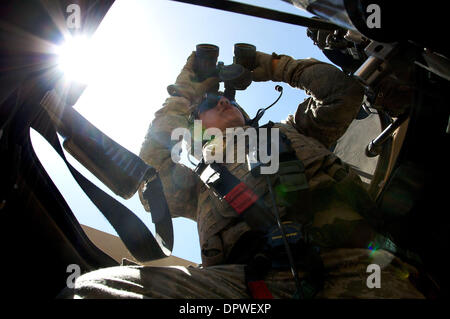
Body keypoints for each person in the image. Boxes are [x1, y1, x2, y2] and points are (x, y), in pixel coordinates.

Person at [61, 50, 424, 299]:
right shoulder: (194, 181)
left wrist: (266, 65)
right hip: (248, 290)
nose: (222, 101)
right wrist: (185, 91)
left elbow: (342, 92)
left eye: (228, 100)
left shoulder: (292, 131)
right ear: (194, 128)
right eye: (208, 106)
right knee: (96, 291)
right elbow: (150, 175)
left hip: (355, 267)